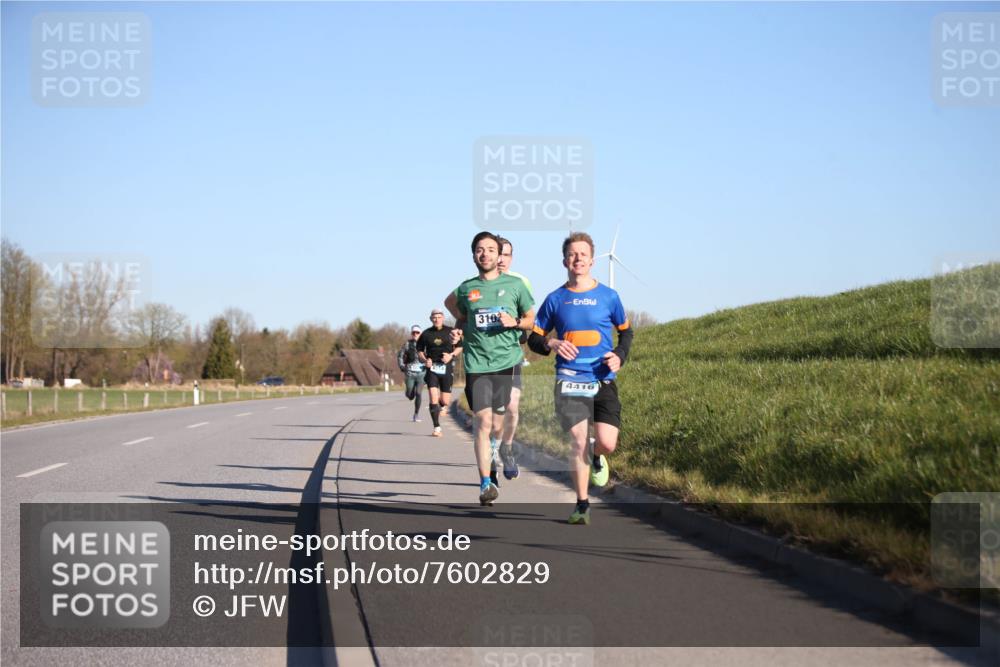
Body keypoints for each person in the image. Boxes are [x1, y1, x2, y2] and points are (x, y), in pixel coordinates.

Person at [527, 232, 633, 525]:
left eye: (583, 254)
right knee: (577, 442)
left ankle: (598, 457)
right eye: (572, 254)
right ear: (565, 261)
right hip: (569, 380)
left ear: (592, 259)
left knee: (607, 443)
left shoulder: (609, 297)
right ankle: (582, 505)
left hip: (602, 379)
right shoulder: (555, 299)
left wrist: (619, 356)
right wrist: (551, 343)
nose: (578, 259)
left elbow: (626, 332)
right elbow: (533, 339)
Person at [446, 231, 535, 505]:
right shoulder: (466, 289)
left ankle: (498, 449)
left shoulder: (516, 285)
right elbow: (451, 305)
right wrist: (460, 327)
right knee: (483, 422)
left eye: (490, 250)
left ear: (498, 256)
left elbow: (531, 319)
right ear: (474, 255)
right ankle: (485, 483)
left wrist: (515, 323)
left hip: (506, 362)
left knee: (498, 422)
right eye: (479, 250)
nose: (484, 254)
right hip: (477, 364)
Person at [416, 309, 461, 437]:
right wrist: (425, 360)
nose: (437, 319)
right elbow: (419, 351)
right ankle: (437, 427)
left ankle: (442, 406)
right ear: (431, 319)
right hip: (432, 369)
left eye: (439, 317)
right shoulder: (426, 334)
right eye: (434, 317)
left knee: (445, 401)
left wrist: (451, 355)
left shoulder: (451, 331)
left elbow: (460, 347)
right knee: (432, 397)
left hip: (446, 368)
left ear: (443, 318)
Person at [397, 324, 426, 422]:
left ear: (420, 333)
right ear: (411, 333)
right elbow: (400, 356)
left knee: (418, 393)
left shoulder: (426, 344)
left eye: (417, 332)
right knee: (410, 395)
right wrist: (401, 366)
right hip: (410, 373)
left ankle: (416, 414)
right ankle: (409, 393)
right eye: (413, 332)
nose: (415, 334)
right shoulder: (407, 344)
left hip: (422, 373)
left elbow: (432, 355)